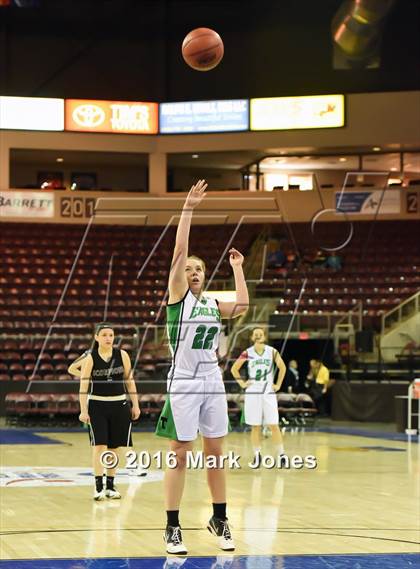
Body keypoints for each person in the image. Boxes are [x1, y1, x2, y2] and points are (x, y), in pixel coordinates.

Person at [155, 179, 249, 555]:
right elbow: (179, 251)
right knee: (180, 451)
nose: (193, 272)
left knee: (215, 450)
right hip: (184, 381)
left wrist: (238, 268)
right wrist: (189, 209)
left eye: (198, 269)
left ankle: (219, 518)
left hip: (212, 378)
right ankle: (172, 526)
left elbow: (241, 307)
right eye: (189, 269)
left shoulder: (210, 303)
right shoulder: (178, 298)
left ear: (205, 276)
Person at [79, 323, 141, 501]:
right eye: (104, 334)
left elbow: (129, 381)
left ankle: (111, 486)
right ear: (96, 337)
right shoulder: (90, 358)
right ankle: (98, 487)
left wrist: (135, 404)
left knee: (114, 448)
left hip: (119, 405)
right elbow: (83, 386)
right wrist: (83, 410)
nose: (108, 338)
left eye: (111, 335)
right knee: (99, 446)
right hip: (97, 406)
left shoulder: (122, 355)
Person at [231, 327, 286, 463]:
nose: (257, 336)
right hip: (253, 391)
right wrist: (242, 384)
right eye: (255, 334)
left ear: (264, 337)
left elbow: (282, 367)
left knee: (273, 424)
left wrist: (278, 385)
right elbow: (234, 369)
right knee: (255, 426)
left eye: (260, 334)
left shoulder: (272, 351)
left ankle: (281, 455)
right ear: (252, 338)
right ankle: (257, 455)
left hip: (268, 391)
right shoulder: (247, 353)